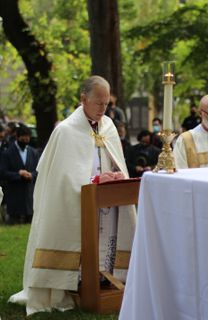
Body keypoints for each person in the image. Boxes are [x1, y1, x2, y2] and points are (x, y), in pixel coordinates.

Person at [9, 76, 136, 315]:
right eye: (98, 103)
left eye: (106, 104)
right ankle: (72, 284)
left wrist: (117, 174)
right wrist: (94, 180)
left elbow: (112, 160)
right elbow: (62, 179)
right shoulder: (66, 131)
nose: (102, 109)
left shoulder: (107, 125)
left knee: (105, 240)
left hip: (106, 200)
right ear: (83, 99)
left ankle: (104, 278)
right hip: (80, 202)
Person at [1, 124, 39, 224]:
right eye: (23, 138)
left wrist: (32, 175)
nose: (26, 141)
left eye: (28, 138)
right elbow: (3, 173)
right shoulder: (7, 153)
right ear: (17, 137)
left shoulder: (33, 152)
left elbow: (38, 171)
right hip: (14, 198)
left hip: (30, 198)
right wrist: (18, 174)